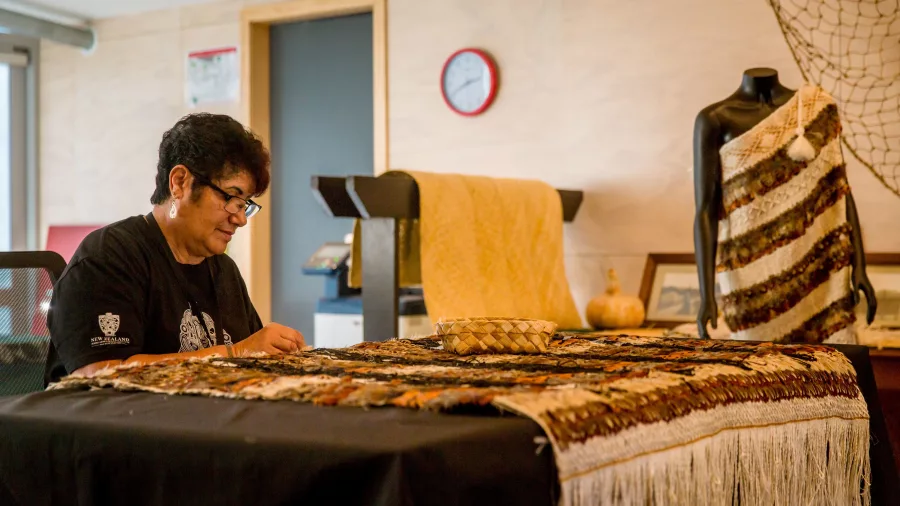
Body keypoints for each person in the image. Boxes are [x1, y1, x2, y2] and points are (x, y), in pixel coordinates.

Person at [45, 113, 305, 382]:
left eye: (244, 205)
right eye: (231, 198)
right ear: (179, 182)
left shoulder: (224, 271)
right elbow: (100, 374)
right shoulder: (110, 256)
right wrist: (237, 352)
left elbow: (250, 365)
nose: (239, 219)